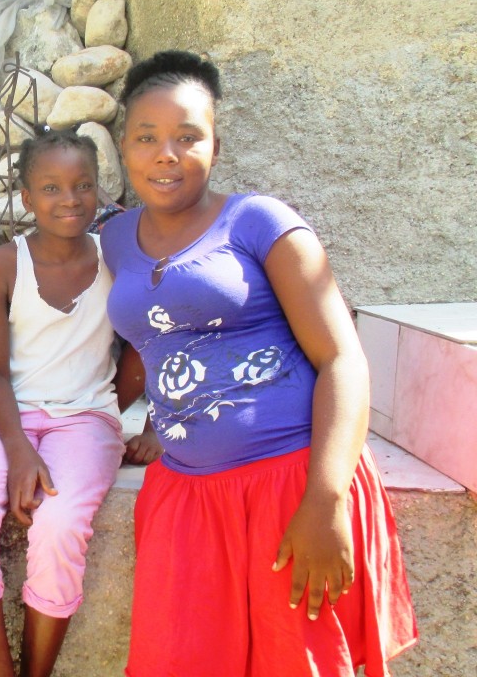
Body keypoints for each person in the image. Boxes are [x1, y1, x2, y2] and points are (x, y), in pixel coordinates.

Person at [100, 50, 418, 676]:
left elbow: (342, 362)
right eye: (148, 138)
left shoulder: (260, 223)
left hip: (289, 483)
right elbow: (154, 335)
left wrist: (324, 502)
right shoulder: (114, 237)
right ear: (124, 147)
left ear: (214, 146)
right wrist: (147, 422)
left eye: (188, 137)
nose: (167, 153)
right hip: (186, 495)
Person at [0, 130, 161, 677]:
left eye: (84, 185)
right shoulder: (0, 265)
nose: (70, 199)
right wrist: (17, 451)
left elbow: (158, 337)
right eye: (52, 187)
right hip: (10, 415)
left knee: (59, 524)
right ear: (26, 196)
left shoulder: (118, 262)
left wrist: (156, 419)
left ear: (101, 191)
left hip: (88, 420)